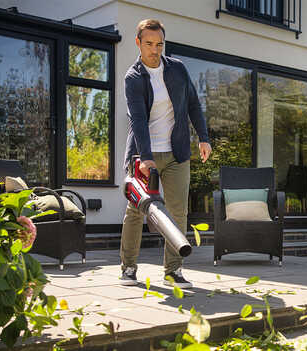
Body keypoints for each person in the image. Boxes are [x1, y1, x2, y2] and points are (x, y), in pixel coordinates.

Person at [119, 19, 211, 288]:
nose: (154, 49)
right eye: (149, 44)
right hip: (142, 155)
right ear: (138, 43)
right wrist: (145, 157)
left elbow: (194, 104)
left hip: (176, 153)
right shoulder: (133, 77)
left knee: (178, 212)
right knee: (136, 211)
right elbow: (136, 119)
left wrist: (203, 138)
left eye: (159, 44)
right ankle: (128, 267)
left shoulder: (178, 69)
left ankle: (173, 270)